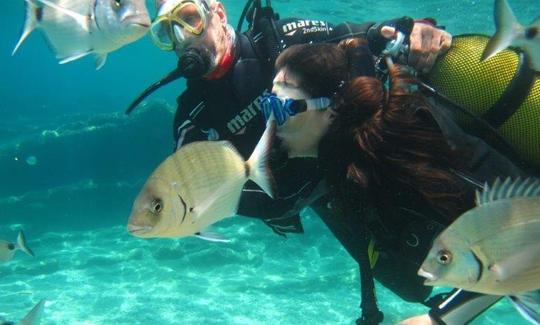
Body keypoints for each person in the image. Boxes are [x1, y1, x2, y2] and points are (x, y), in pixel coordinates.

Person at [139, 0, 453, 323]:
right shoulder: (193, 116)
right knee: (412, 283)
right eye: (166, 32)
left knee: (457, 239)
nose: (183, 39)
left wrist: (414, 31)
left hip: (362, 161)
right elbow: (189, 191)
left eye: (190, 19)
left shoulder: (279, 39)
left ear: (218, 14)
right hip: (329, 202)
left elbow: (360, 35)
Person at [264, 38, 527, 324]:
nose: (271, 122)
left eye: (282, 108)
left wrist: (440, 319)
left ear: (330, 111)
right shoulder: (342, 163)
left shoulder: (406, 140)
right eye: (268, 106)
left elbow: (518, 229)